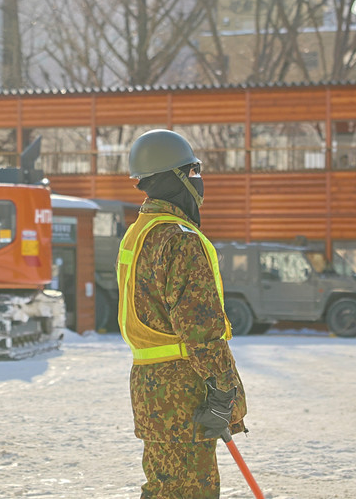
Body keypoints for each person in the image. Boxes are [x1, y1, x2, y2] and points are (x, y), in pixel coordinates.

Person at [117, 129, 247, 499]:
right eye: (192, 172)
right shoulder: (181, 240)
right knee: (189, 493)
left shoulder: (138, 233)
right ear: (174, 177)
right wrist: (222, 392)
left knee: (163, 488)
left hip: (149, 388)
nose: (197, 180)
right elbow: (201, 329)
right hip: (185, 391)